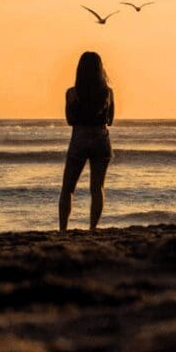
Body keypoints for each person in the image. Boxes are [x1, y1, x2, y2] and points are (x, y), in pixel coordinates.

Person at [59, 51, 114, 231]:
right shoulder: (108, 93)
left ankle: (63, 229)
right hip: (101, 138)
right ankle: (92, 229)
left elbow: (70, 121)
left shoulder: (72, 93)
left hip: (80, 138)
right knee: (97, 188)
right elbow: (110, 121)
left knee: (68, 188)